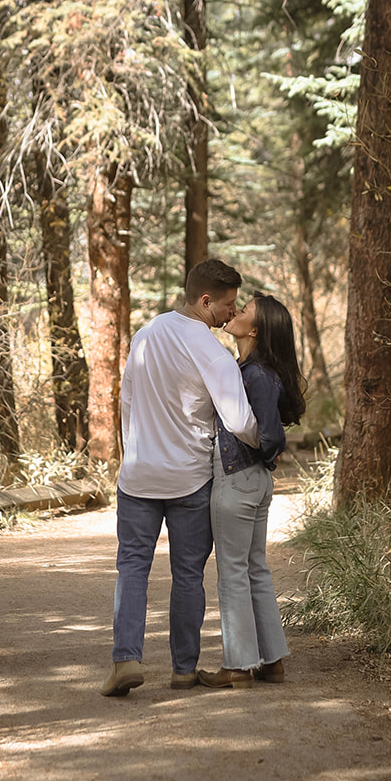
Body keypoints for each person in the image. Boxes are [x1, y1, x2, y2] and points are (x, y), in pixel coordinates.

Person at [101, 258, 260, 697]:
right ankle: (183, 669)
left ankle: (126, 660)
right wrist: (267, 440)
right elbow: (240, 419)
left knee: (132, 566)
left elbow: (127, 404)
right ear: (205, 300)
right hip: (191, 477)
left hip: (138, 476)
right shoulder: (213, 352)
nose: (232, 314)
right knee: (188, 573)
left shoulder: (147, 334)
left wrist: (134, 452)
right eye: (227, 305)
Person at [197, 292, 306, 689]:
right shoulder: (252, 369)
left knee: (233, 573)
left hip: (238, 478)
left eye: (244, 311)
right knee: (255, 569)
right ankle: (272, 661)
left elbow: (270, 434)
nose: (236, 312)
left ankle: (238, 666)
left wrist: (268, 451)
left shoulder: (256, 374)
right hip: (254, 481)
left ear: (255, 330)